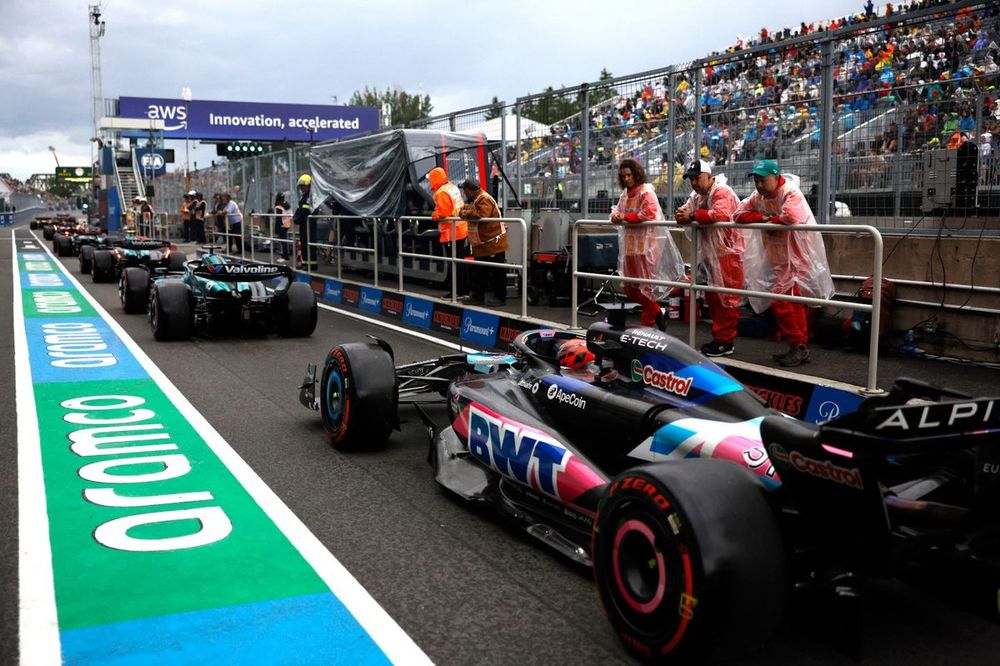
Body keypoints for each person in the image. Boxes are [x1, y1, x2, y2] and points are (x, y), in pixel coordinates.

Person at [733, 159, 834, 367]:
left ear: (776, 176)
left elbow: (791, 217)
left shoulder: (790, 192)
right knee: (792, 303)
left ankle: (798, 344)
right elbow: (738, 215)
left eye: (763, 180)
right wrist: (763, 219)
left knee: (781, 301)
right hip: (779, 258)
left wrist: (771, 221)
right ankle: (799, 346)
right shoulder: (758, 196)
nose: (759, 185)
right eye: (756, 181)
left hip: (797, 257)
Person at [674, 159, 746, 357]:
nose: (694, 183)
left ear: (709, 176)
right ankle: (720, 339)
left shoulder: (722, 191)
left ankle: (726, 341)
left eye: (697, 178)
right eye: (691, 180)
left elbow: (720, 215)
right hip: (711, 255)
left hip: (727, 254)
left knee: (727, 300)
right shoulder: (696, 196)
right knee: (713, 298)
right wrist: (685, 216)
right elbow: (683, 214)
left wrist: (691, 216)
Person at [610, 158, 684, 329]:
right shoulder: (625, 194)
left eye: (629, 175)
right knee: (630, 289)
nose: (626, 179)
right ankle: (657, 311)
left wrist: (625, 218)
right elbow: (617, 212)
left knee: (644, 288)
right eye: (623, 176)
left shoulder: (645, 192)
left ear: (636, 174)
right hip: (629, 248)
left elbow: (649, 214)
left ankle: (648, 324)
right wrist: (616, 217)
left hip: (645, 248)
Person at [457, 177, 508, 306]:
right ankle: (478, 296)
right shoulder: (474, 199)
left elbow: (482, 215)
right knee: (479, 271)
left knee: (497, 272)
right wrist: (466, 212)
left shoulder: (484, 199)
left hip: (493, 243)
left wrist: (467, 212)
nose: (464, 193)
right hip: (482, 244)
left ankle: (500, 298)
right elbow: (461, 212)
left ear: (470, 190)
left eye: (465, 190)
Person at [427, 167, 469, 298]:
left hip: (451, 232)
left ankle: (457, 292)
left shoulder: (441, 193)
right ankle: (462, 290)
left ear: (435, 179)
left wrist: (434, 214)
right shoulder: (452, 187)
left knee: (454, 262)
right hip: (460, 229)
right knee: (459, 261)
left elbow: (443, 214)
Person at [294, 174, 318, 271]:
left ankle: (312, 265)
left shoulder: (310, 197)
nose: (302, 188)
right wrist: (296, 217)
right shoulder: (304, 196)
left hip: (309, 224)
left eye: (304, 186)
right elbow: (299, 209)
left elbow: (305, 211)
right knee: (304, 243)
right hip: (304, 225)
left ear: (309, 185)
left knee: (310, 244)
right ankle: (305, 263)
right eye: (301, 186)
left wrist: (297, 219)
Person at [274, 192, 292, 261]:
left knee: (283, 241)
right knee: (284, 241)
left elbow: (278, 217)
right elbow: (290, 214)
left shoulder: (279, 206)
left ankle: (285, 256)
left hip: (281, 224)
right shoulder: (287, 204)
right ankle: (285, 254)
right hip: (287, 224)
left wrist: (277, 227)